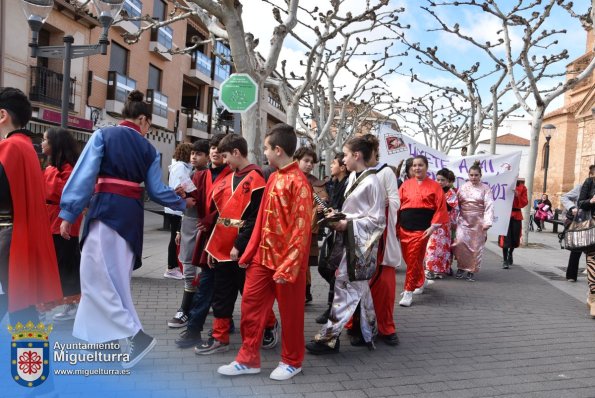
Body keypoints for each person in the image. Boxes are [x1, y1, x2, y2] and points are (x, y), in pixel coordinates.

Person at [59, 90, 185, 369]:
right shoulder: (149, 149)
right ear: (142, 119)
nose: (148, 128)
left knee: (95, 278)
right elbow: (156, 190)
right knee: (115, 282)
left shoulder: (103, 135)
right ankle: (113, 341)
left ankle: (132, 337)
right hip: (130, 217)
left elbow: (84, 175)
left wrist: (69, 212)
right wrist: (183, 203)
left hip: (105, 211)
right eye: (149, 124)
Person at [218, 123, 313, 381]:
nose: (265, 153)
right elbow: (261, 218)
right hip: (263, 258)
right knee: (250, 304)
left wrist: (290, 265)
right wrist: (249, 252)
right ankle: (248, 359)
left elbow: (301, 229)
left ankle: (292, 361)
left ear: (278, 150)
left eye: (267, 148)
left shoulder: (300, 184)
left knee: (291, 314)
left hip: (287, 263)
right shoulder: (272, 177)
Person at [306, 136, 386, 354]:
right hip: (349, 242)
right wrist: (338, 215)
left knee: (345, 287)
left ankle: (329, 338)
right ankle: (367, 331)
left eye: (346, 155)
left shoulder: (372, 181)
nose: (343, 160)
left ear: (356, 156)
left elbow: (378, 221)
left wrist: (346, 224)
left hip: (359, 245)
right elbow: (355, 212)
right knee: (357, 288)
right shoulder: (353, 178)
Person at [194, 134, 266, 355]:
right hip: (222, 247)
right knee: (221, 294)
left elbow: (255, 218)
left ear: (236, 152)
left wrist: (239, 245)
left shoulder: (256, 178)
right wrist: (214, 248)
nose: (224, 161)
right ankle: (219, 337)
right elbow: (221, 216)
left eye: (226, 156)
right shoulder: (230, 177)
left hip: (243, 250)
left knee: (250, 296)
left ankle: (269, 327)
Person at [0, 87, 62, 325]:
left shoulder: (8, 147)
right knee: (23, 316)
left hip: (7, 242)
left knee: (20, 314)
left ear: (2, 114)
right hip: (17, 242)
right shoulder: (25, 146)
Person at [172, 134, 233, 347]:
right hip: (207, 239)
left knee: (228, 286)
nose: (215, 151)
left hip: (227, 241)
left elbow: (235, 207)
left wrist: (213, 217)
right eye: (213, 147)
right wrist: (182, 197)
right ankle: (195, 329)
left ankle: (258, 325)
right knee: (208, 282)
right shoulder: (201, 176)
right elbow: (196, 200)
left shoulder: (235, 175)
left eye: (219, 148)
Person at [356, 134, 401, 346]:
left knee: (383, 283)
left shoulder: (386, 172)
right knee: (357, 281)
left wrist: (378, 205)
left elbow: (395, 202)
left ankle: (385, 326)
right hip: (359, 233)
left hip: (380, 236)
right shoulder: (356, 173)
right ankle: (358, 324)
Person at [39, 127, 83, 322]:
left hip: (64, 223)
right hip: (49, 220)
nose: (42, 143)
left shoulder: (68, 170)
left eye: (45, 139)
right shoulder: (50, 167)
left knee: (66, 265)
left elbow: (65, 194)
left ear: (55, 144)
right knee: (54, 266)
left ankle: (71, 303)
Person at [167, 139, 210, 328]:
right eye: (193, 153)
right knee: (188, 267)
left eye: (199, 154)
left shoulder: (208, 175)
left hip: (201, 226)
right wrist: (178, 228)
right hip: (188, 223)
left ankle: (187, 308)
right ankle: (190, 306)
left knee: (200, 269)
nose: (194, 156)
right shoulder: (190, 173)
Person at [398, 155, 448, 307]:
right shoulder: (406, 184)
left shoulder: (435, 186)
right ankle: (421, 280)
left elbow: (440, 208)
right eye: (414, 165)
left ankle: (408, 291)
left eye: (420, 165)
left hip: (422, 228)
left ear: (426, 167)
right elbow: (397, 204)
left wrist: (433, 226)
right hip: (404, 226)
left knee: (413, 258)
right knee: (409, 258)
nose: (417, 168)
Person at [293, 146, 328, 304]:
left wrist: (319, 207)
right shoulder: (288, 179)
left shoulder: (316, 183)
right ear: (296, 161)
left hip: (308, 229)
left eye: (311, 162)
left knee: (304, 262)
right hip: (289, 228)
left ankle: (305, 292)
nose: (309, 164)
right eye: (306, 161)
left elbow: (324, 202)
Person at [316, 153, 348, 324]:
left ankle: (333, 307)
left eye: (334, 163)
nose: (330, 165)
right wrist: (325, 209)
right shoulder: (332, 184)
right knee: (323, 268)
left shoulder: (348, 184)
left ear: (342, 167)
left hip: (343, 234)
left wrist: (333, 212)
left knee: (334, 270)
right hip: (331, 232)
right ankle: (337, 300)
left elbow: (346, 209)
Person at [452, 162, 494, 281]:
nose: (473, 177)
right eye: (471, 175)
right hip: (463, 220)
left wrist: (487, 222)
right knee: (460, 243)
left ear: (480, 175)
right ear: (468, 175)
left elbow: (489, 205)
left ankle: (471, 270)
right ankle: (461, 267)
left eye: (476, 175)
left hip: (478, 221)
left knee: (476, 247)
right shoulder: (463, 187)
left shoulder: (486, 189)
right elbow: (456, 204)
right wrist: (454, 220)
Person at [164, 143, 193, 280]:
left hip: (173, 206)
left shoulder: (178, 166)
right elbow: (182, 186)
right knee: (175, 238)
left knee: (174, 237)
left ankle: (173, 267)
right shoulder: (181, 168)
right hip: (177, 207)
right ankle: (172, 267)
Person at [561, 165, 595, 282]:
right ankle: (571, 275)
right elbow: (565, 197)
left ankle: (590, 272)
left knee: (591, 249)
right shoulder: (582, 187)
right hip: (583, 221)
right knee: (578, 248)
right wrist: (572, 208)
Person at [424, 168, 458, 280]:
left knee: (442, 248)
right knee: (431, 246)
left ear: (448, 181)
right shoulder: (432, 190)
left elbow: (449, 207)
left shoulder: (451, 192)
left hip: (444, 223)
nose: (439, 182)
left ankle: (440, 270)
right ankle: (430, 269)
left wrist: (437, 201)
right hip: (432, 222)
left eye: (442, 180)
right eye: (437, 179)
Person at [498, 178, 528, 268]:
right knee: (505, 238)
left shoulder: (523, 188)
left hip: (516, 215)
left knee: (515, 238)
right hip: (505, 214)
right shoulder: (503, 185)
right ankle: (505, 260)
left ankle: (510, 253)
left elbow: (524, 203)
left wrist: (517, 195)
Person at [577, 171, 595, 317]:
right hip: (592, 228)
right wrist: (591, 201)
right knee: (592, 260)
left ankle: (591, 295)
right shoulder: (590, 182)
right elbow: (580, 203)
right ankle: (593, 298)